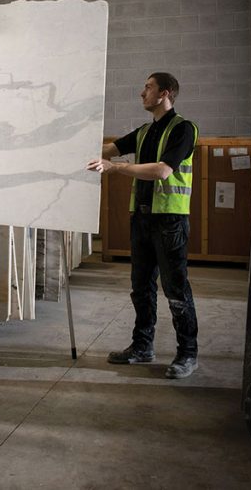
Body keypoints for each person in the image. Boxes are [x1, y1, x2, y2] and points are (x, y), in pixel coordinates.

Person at [86, 72, 199, 379]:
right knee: (141, 288)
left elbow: (163, 171)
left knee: (176, 290)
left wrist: (116, 168)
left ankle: (187, 354)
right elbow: (108, 149)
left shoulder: (183, 129)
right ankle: (142, 347)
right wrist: (78, 144)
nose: (142, 93)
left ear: (165, 93)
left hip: (170, 221)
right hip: (142, 219)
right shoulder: (145, 132)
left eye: (148, 88)